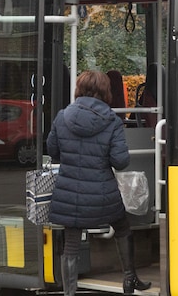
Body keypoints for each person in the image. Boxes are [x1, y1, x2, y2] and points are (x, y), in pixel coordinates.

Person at [47, 70, 151, 296]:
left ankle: (69, 293)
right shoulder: (112, 121)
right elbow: (120, 161)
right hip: (103, 193)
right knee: (122, 227)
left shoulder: (63, 116)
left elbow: (52, 151)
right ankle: (129, 279)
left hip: (69, 192)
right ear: (106, 91)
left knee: (71, 242)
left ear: (79, 89)